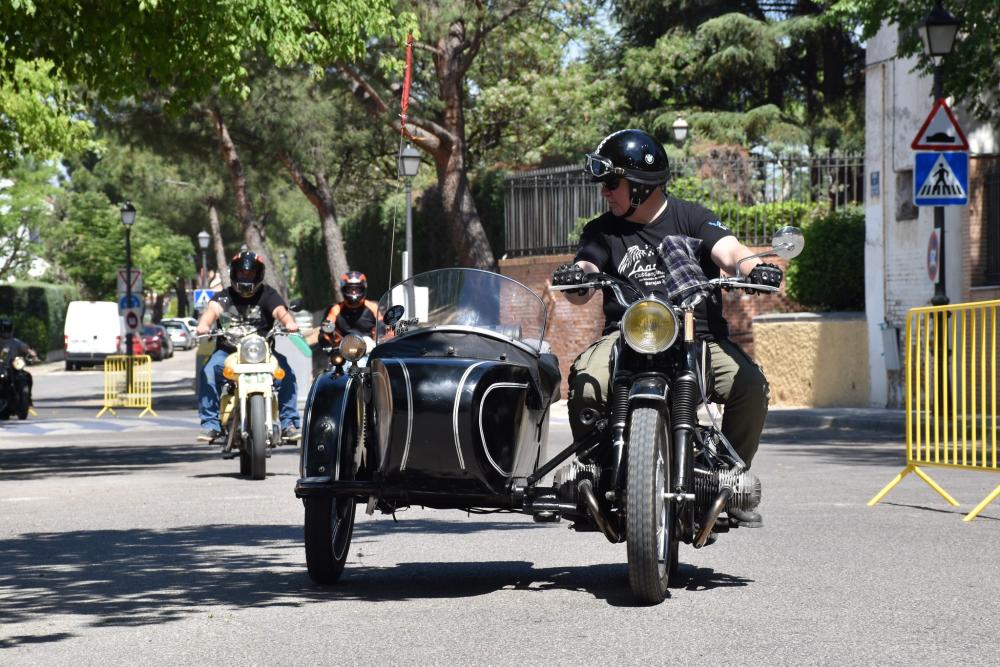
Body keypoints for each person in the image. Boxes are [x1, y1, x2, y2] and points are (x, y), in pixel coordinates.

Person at [552, 129, 783, 528]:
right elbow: (587, 265)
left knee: (749, 385)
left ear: (641, 186)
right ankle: (596, 477)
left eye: (612, 183)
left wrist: (753, 267)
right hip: (626, 338)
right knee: (587, 382)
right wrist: (578, 276)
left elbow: (729, 250)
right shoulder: (603, 231)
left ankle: (727, 480)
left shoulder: (691, 217)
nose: (605, 192)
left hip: (697, 337)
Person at [195, 251, 301, 443]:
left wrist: (289, 323)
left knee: (286, 374)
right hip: (228, 352)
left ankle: (289, 424)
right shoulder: (224, 297)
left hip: (263, 353)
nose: (246, 276)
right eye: (242, 273)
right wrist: (204, 325)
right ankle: (210, 425)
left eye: (250, 273)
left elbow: (280, 311)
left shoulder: (268, 294)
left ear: (258, 274)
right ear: (234, 273)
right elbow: (212, 311)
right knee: (208, 372)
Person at [318, 271, 379, 347]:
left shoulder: (373, 306)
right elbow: (325, 328)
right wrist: (325, 337)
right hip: (343, 349)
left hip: (372, 347)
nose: (354, 292)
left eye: (357, 289)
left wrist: (385, 335)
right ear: (343, 290)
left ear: (363, 289)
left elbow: (384, 325)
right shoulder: (335, 309)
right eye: (350, 289)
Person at [0, 316, 38, 404]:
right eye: (5, 329)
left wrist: (34, 356)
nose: (6, 332)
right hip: (1, 369)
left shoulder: (15, 342)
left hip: (13, 368)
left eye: (8, 329)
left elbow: (27, 349)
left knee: (27, 376)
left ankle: (28, 398)